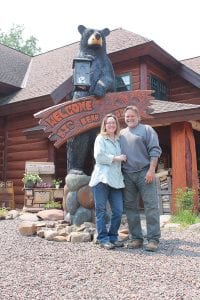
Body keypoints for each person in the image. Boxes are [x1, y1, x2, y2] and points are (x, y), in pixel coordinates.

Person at [120, 105, 162, 252]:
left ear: (138, 117)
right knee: (130, 207)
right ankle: (136, 238)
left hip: (145, 172)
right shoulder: (121, 134)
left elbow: (155, 150)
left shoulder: (147, 130)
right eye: (127, 116)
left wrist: (151, 170)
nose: (129, 118)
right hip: (127, 175)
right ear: (124, 118)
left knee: (151, 206)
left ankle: (153, 239)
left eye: (132, 116)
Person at [89, 114, 127, 250]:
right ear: (104, 125)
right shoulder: (100, 138)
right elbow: (99, 157)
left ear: (116, 125)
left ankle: (113, 237)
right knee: (101, 211)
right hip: (101, 179)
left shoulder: (118, 140)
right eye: (108, 123)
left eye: (113, 123)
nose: (111, 125)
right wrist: (117, 158)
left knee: (118, 211)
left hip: (116, 180)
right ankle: (102, 239)